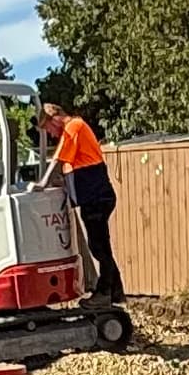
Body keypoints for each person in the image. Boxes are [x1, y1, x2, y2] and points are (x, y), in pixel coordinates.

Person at [37, 100, 124, 302]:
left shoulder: (74, 126)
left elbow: (58, 159)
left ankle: (105, 291)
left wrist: (43, 183)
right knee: (101, 245)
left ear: (55, 119)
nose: (50, 134)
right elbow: (73, 167)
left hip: (96, 197)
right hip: (93, 197)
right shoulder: (74, 130)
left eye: (48, 128)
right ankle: (114, 292)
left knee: (99, 247)